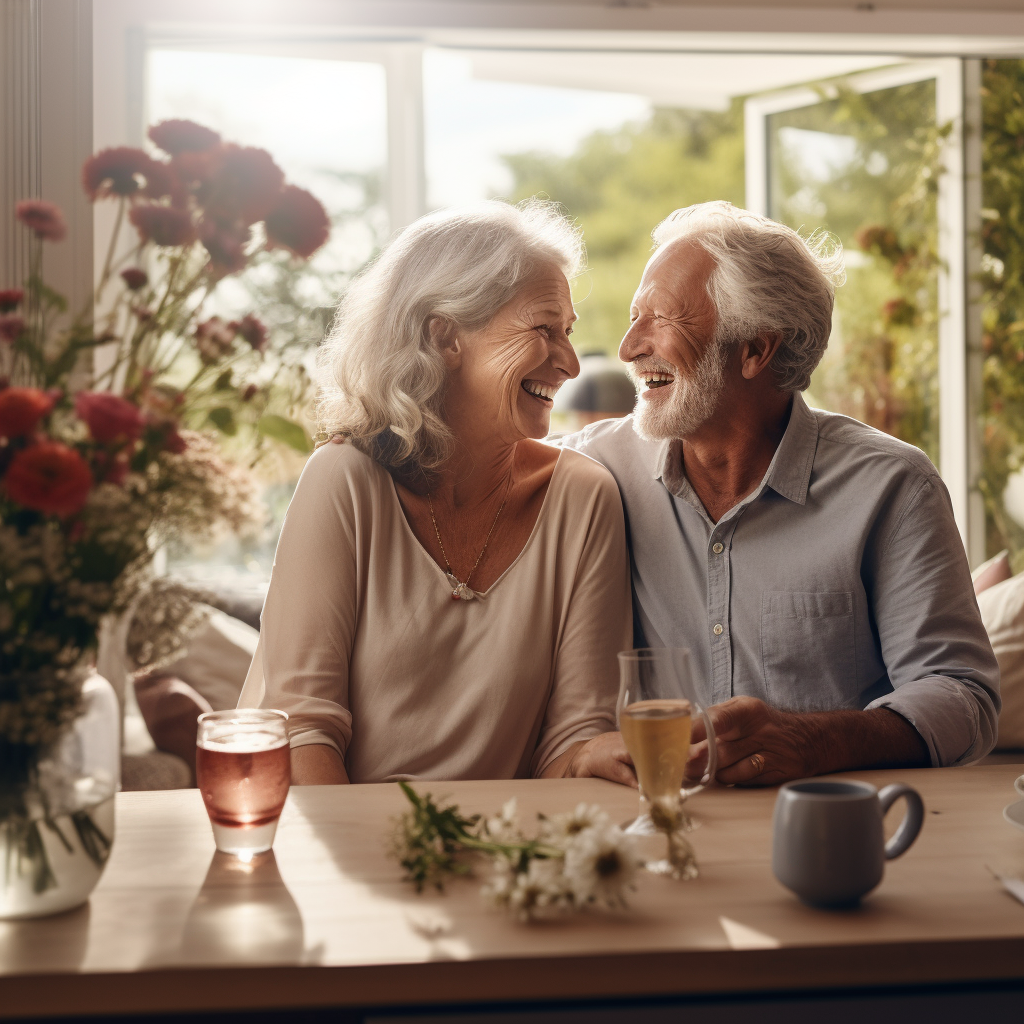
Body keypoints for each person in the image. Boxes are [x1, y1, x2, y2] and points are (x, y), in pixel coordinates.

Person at [565, 201, 1000, 786]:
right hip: (661, 823)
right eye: (633, 317)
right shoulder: (593, 471)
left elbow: (963, 696)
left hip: (834, 826)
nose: (627, 347)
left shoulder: (891, 487)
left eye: (660, 319)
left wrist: (816, 741)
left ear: (755, 350)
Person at [238, 200, 635, 787]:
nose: (571, 363)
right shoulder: (345, 480)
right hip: (331, 846)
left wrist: (587, 758)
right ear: (444, 336)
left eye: (568, 332)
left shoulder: (583, 498)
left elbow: (573, 737)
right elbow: (302, 733)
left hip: (501, 856)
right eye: (543, 330)